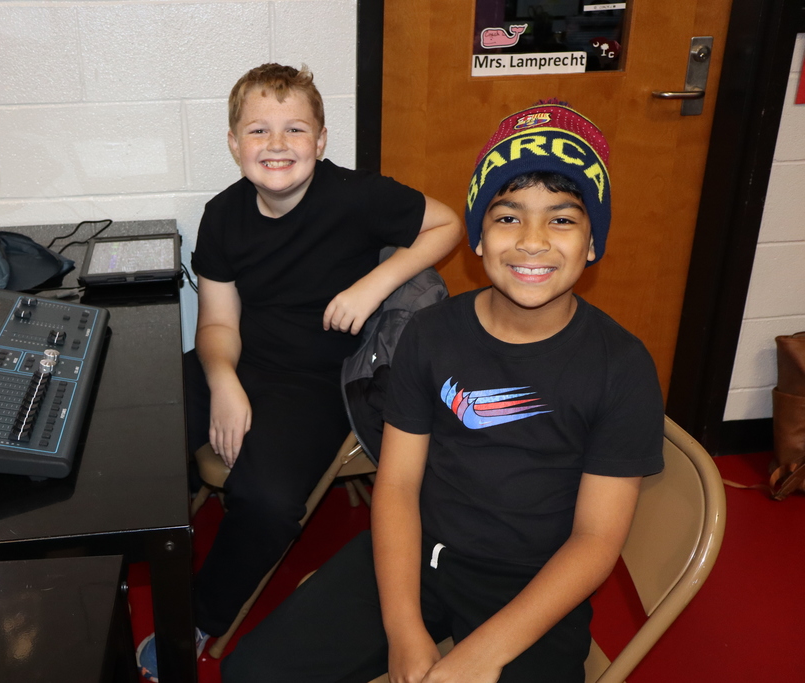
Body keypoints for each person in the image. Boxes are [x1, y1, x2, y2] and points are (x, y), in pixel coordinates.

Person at [221, 101, 665, 683]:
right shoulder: (431, 334)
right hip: (418, 556)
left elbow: (595, 541)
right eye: (507, 217)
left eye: (562, 219)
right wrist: (405, 629)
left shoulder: (623, 367)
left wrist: (483, 653)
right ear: (478, 238)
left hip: (534, 582)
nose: (532, 242)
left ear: (592, 243)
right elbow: (400, 485)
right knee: (252, 673)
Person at [135, 63, 463, 681]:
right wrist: (224, 381)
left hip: (316, 380)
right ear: (235, 144)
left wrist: (376, 283)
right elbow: (217, 325)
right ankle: (113, 569)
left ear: (321, 139)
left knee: (266, 499)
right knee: (133, 433)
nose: (277, 145)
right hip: (238, 360)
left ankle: (200, 614)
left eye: (295, 129)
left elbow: (450, 223)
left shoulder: (356, 197)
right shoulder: (223, 215)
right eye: (259, 131)